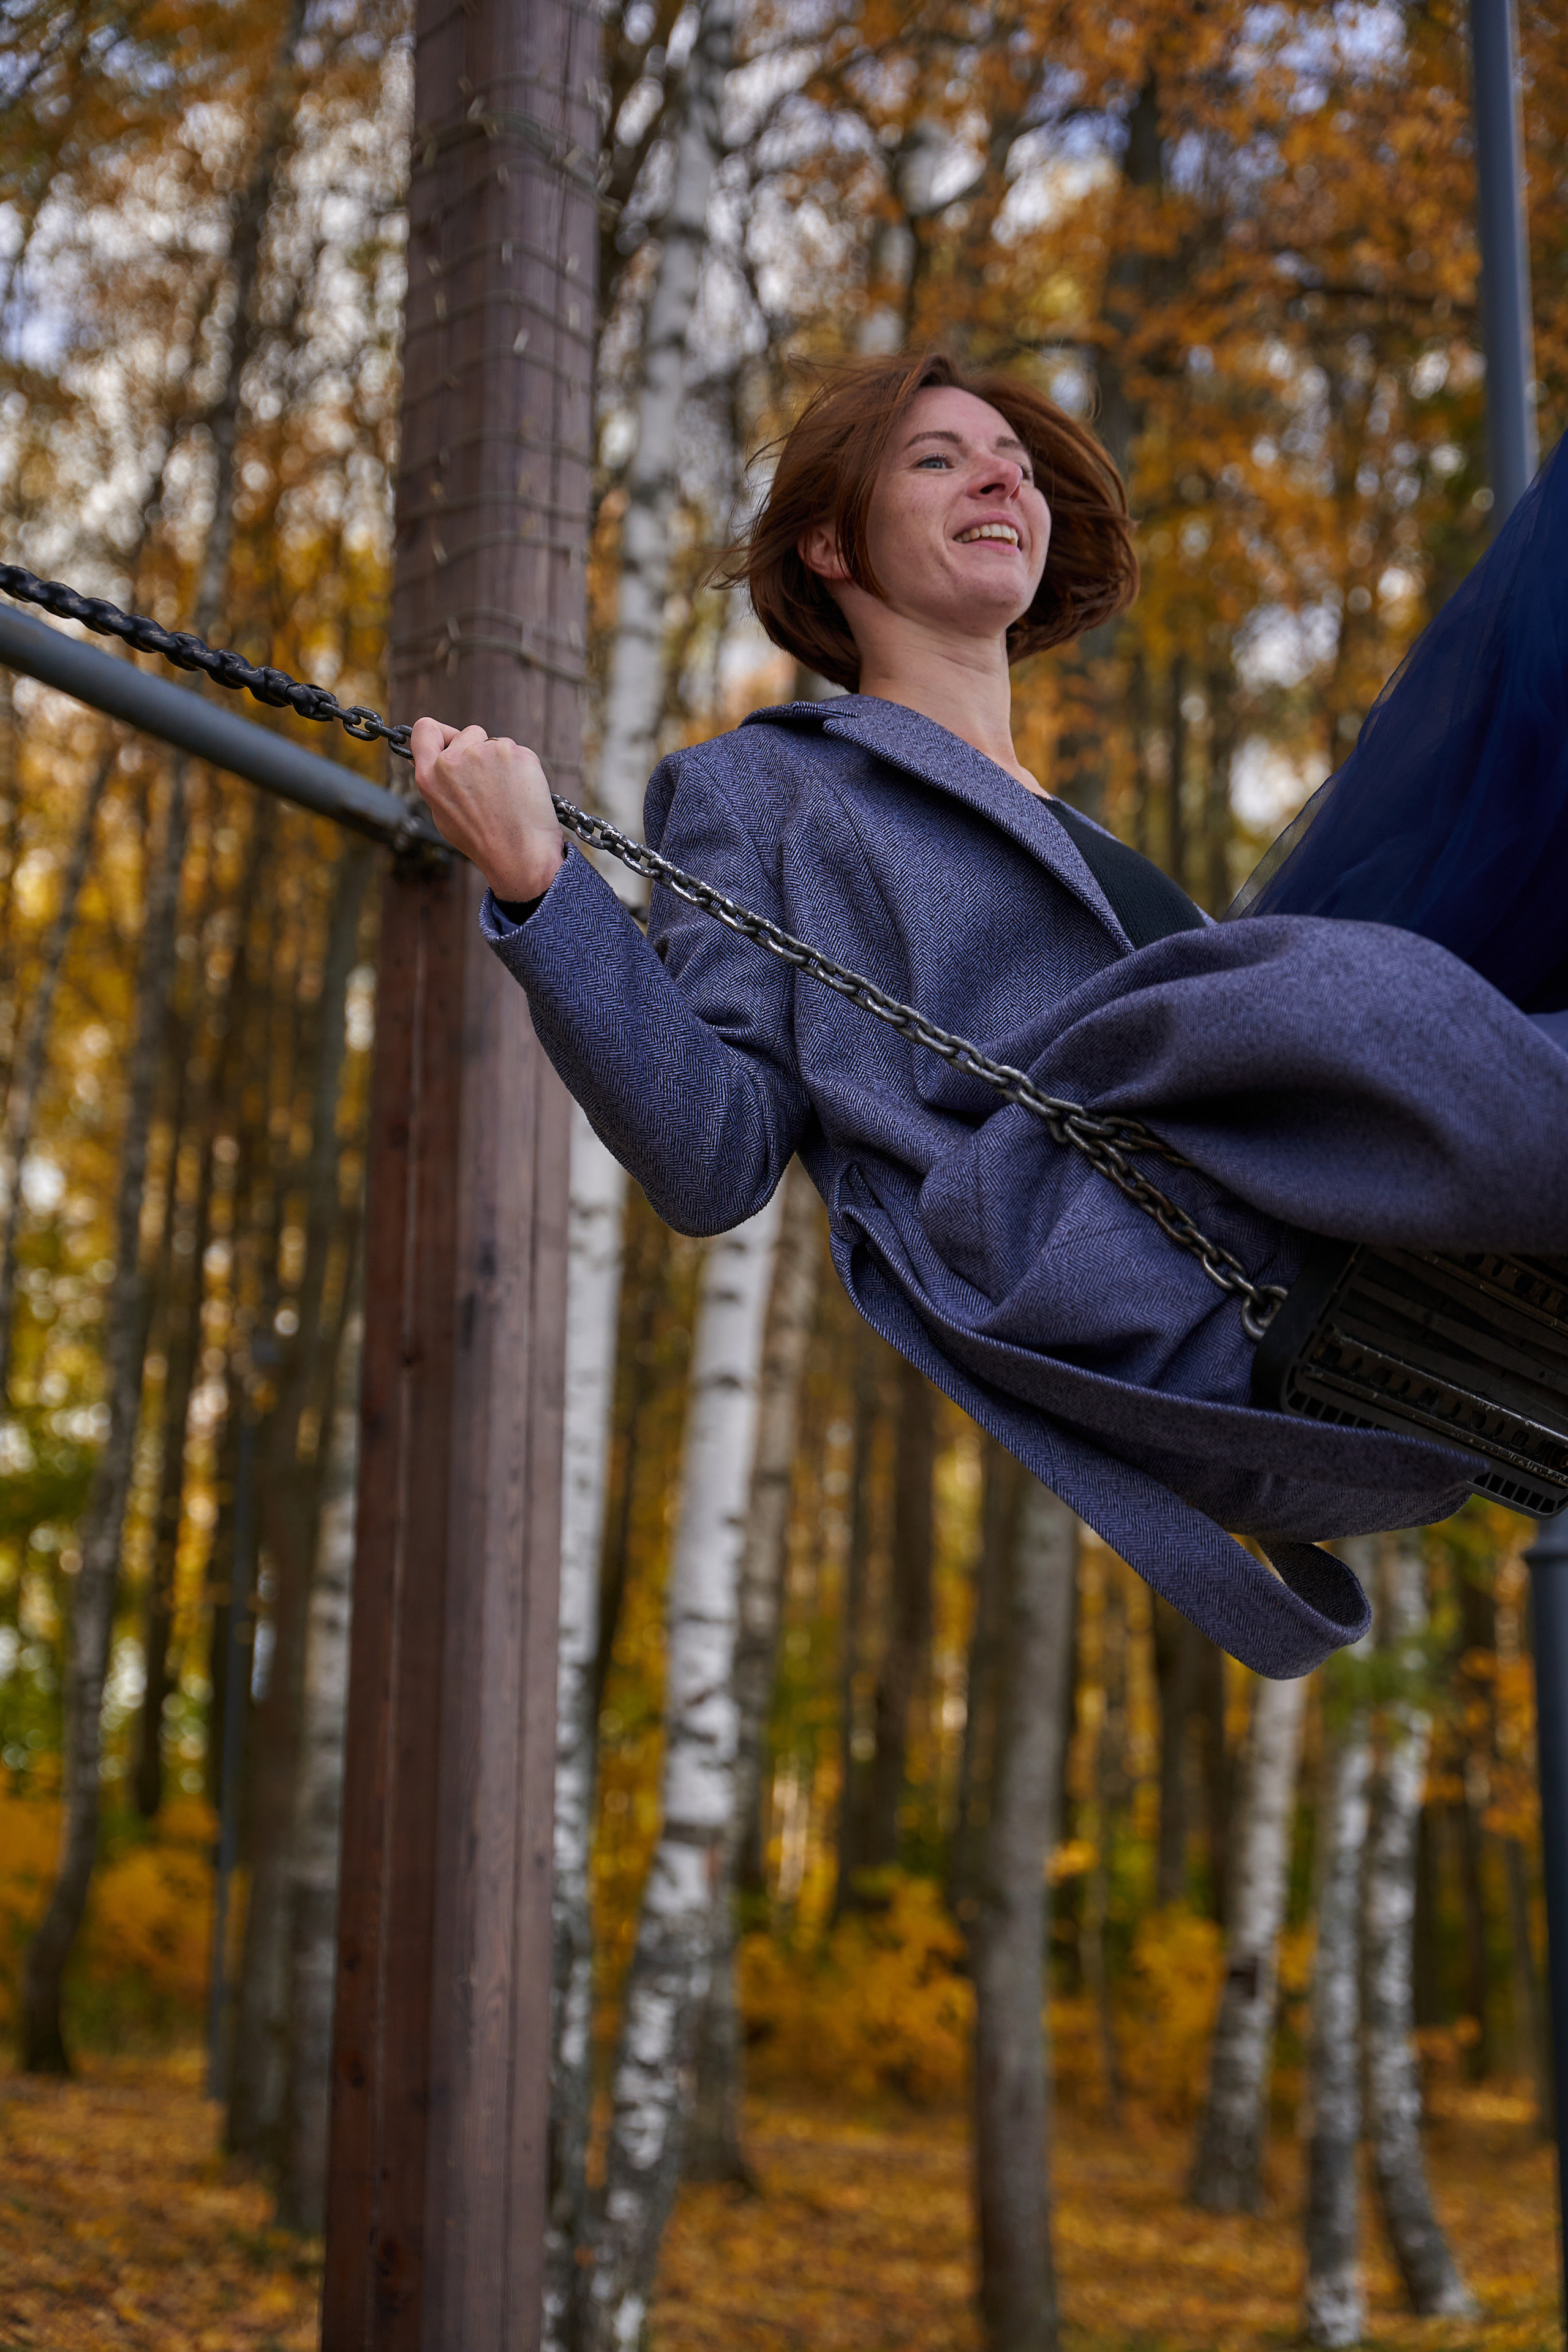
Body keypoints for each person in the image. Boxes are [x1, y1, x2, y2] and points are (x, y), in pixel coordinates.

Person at [410, 348, 1568, 1678]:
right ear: (831, 546)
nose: (1000, 479)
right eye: (938, 458)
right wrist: (541, 888)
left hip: (1350, 1234)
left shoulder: (1092, 842)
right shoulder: (759, 790)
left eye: (1013, 465)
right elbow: (711, 1153)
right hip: (1161, 1275)